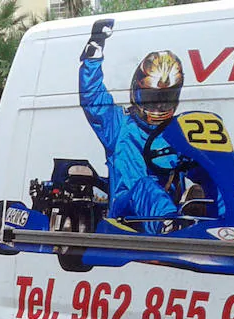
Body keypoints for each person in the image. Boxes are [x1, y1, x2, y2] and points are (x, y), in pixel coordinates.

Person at [79, 19, 202, 234]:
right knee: (145, 186)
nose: (159, 105)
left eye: (166, 97)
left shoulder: (178, 131)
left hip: (172, 207)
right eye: (153, 98)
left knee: (208, 173)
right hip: (127, 214)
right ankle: (169, 225)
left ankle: (230, 221)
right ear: (138, 90)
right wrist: (94, 52)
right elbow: (93, 98)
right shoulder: (119, 125)